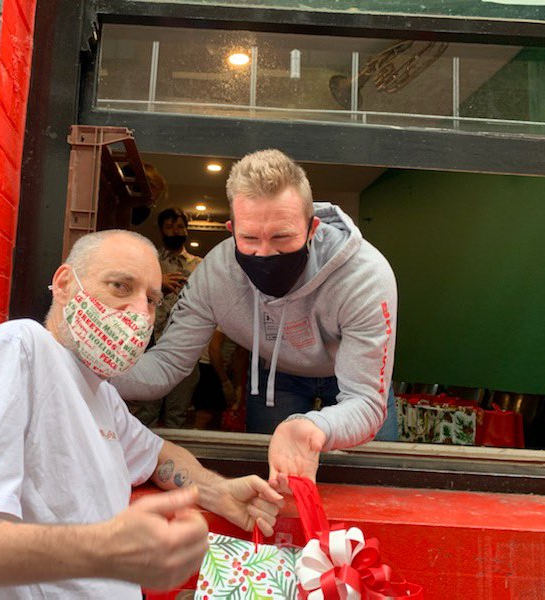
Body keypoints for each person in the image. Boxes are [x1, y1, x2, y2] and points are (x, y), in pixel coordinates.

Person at [0, 230, 283, 599]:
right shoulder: (19, 349)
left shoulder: (102, 395)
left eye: (152, 300)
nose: (139, 312)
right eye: (121, 286)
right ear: (66, 284)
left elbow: (160, 456)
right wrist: (102, 549)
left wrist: (218, 492)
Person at [112, 149, 399, 489]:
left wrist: (309, 427)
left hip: (352, 379)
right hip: (277, 377)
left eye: (281, 237)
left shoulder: (365, 276)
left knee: (375, 483)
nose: (265, 253)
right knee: (269, 486)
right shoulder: (215, 276)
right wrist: (93, 372)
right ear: (231, 229)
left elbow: (366, 400)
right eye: (249, 238)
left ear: (312, 229)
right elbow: (167, 364)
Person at [129, 208, 203, 428]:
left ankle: (173, 460)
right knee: (145, 411)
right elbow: (128, 294)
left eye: (180, 226)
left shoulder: (200, 264)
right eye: (170, 227)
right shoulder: (147, 262)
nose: (176, 231)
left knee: (177, 413)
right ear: (161, 230)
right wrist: (157, 283)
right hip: (149, 345)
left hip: (185, 346)